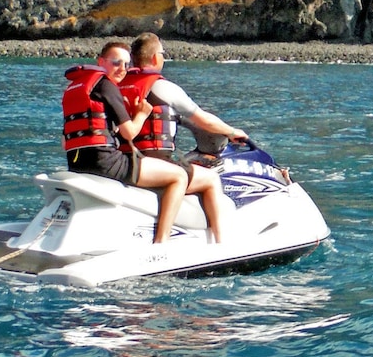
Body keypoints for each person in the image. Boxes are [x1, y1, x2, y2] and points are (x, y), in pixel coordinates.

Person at [121, 32, 249, 243]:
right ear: (154, 58)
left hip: (127, 160)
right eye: (162, 53)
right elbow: (203, 120)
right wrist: (233, 132)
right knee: (210, 179)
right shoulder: (162, 86)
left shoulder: (119, 85)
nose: (163, 57)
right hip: (156, 160)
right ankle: (220, 242)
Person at [61, 41, 189, 243]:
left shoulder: (77, 88)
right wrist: (142, 114)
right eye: (116, 62)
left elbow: (64, 142)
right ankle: (162, 241)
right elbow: (129, 132)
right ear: (101, 61)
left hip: (77, 164)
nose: (122, 69)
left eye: (126, 64)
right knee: (179, 176)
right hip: (106, 165)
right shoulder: (107, 86)